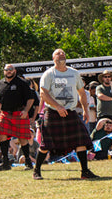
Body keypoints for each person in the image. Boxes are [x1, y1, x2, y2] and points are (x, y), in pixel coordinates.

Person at [34, 48, 98, 180]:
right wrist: (57, 107)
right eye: (58, 53)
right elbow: (43, 93)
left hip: (70, 112)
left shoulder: (74, 73)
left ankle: (85, 172)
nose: (61, 54)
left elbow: (81, 92)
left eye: (63, 53)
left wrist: (85, 109)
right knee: (46, 144)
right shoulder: (49, 74)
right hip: (52, 112)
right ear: (53, 58)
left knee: (81, 141)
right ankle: (36, 171)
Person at [0, 63, 35, 171]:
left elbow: (31, 99)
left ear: (14, 71)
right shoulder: (0, 83)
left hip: (19, 114)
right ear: (4, 71)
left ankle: (28, 163)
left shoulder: (22, 83)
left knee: (23, 138)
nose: (9, 71)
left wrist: (26, 111)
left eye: (11, 69)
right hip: (5, 114)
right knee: (2, 134)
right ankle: (5, 162)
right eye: (7, 70)